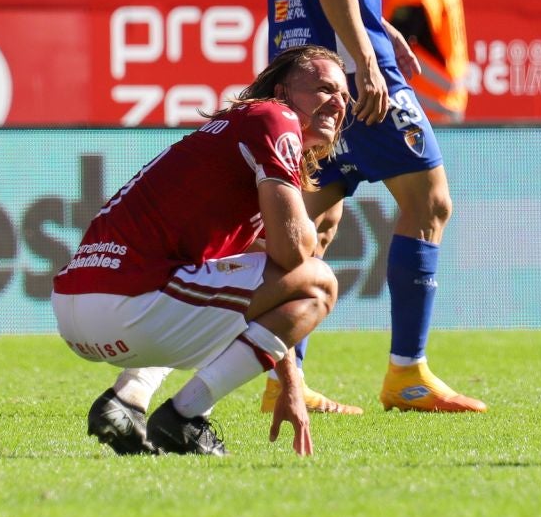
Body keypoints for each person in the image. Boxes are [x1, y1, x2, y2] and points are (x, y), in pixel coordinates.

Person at [261, 0, 485, 414]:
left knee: (312, 227)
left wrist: (381, 26)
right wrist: (366, 63)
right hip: (341, 68)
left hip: (304, 58)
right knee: (429, 201)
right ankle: (405, 372)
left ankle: (278, 379)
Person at [52, 46, 347, 457]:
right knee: (320, 283)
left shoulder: (237, 137)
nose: (337, 102)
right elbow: (296, 252)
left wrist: (291, 384)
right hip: (127, 307)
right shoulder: (275, 117)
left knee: (211, 282)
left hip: (80, 309)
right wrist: (315, 232)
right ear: (283, 91)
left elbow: (270, 279)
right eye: (323, 88)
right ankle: (185, 417)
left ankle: (127, 400)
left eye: (344, 96)